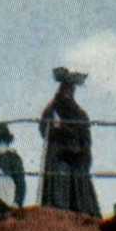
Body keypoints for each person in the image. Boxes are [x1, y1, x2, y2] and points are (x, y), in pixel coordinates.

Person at [39, 67, 100, 217]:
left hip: (77, 159)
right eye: (65, 88)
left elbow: (86, 140)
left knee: (80, 190)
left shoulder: (79, 114)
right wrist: (55, 128)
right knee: (60, 184)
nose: (67, 92)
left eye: (69, 89)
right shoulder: (53, 110)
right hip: (59, 157)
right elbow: (44, 129)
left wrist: (78, 147)